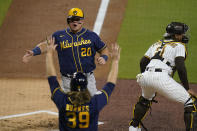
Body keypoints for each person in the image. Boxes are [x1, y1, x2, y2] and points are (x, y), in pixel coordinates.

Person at [23, 8, 109, 96]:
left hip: (87, 80)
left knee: (90, 106)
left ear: (82, 21)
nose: (75, 23)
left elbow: (104, 49)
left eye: (77, 20)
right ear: (68, 21)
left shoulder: (91, 36)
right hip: (68, 81)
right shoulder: (59, 36)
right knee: (69, 107)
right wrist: (34, 52)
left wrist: (104, 57)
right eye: (72, 20)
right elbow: (46, 44)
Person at [129, 22, 197, 131]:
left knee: (145, 99)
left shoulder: (156, 43)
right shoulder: (180, 46)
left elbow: (143, 62)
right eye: (182, 34)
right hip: (161, 77)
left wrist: (148, 80)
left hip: (144, 76)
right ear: (176, 35)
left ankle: (133, 127)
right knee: (191, 102)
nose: (183, 35)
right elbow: (180, 67)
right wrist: (187, 88)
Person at [46, 36, 120, 131]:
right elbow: (110, 84)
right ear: (86, 86)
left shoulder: (62, 101)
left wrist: (49, 54)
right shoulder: (94, 103)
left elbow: (52, 80)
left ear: (71, 86)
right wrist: (115, 61)